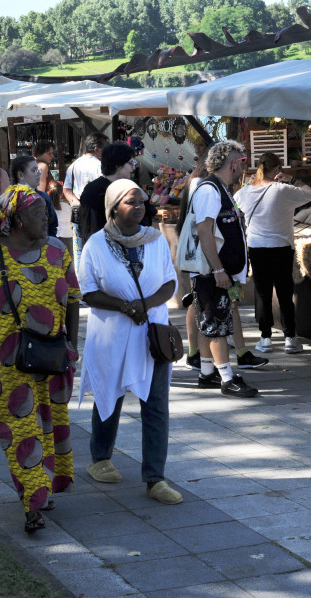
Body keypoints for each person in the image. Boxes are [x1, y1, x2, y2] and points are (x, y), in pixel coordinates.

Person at [0, 185, 80, 533]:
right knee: (21, 431)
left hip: (53, 357)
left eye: (46, 211)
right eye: (38, 213)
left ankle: (39, 489)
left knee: (47, 426)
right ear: (15, 219)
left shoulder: (57, 251)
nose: (47, 218)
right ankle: (32, 506)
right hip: (7, 364)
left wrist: (72, 344)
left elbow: (72, 297)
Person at [78, 179, 182, 505]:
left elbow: (169, 282)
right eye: (130, 202)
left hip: (153, 334)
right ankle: (100, 458)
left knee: (156, 406)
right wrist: (125, 307)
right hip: (112, 333)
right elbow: (88, 291)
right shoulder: (96, 244)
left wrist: (145, 305)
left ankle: (155, 478)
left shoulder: (155, 240)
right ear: (113, 207)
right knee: (110, 394)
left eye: (141, 202)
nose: (139, 208)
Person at [190, 140, 258, 397]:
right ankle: (228, 379)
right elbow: (204, 230)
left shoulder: (221, 188)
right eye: (243, 162)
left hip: (219, 270)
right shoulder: (210, 190)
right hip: (212, 272)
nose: (245, 167)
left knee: (212, 323)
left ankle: (207, 373)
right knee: (218, 324)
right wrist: (218, 270)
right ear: (233, 164)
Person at [235, 152, 311, 355]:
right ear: (277, 169)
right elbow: (309, 194)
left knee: (263, 293)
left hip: (257, 247)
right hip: (281, 246)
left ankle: (265, 338)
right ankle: (290, 338)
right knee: (285, 292)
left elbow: (236, 204)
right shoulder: (283, 190)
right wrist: (292, 179)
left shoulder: (245, 192)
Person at [0, 156, 57, 244]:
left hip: (41, 254)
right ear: (21, 175)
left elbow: (53, 226)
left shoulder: (44, 198)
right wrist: (5, 246)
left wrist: (47, 246)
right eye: (33, 170)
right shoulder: (2, 201)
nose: (38, 173)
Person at [78, 142, 136, 245]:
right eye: (130, 163)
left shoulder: (123, 187)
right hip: (101, 248)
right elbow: (92, 226)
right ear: (118, 165)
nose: (133, 169)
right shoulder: (94, 190)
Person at [63, 132, 108, 262]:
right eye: (105, 149)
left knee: (80, 251)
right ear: (96, 150)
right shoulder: (101, 166)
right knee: (99, 251)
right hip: (98, 215)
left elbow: (66, 189)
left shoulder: (73, 165)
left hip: (79, 214)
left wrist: (76, 203)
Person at [34, 141, 70, 247]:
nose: (52, 156)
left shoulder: (34, 165)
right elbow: (40, 191)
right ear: (40, 153)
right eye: (49, 153)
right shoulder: (43, 166)